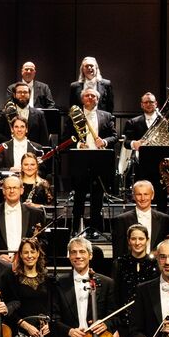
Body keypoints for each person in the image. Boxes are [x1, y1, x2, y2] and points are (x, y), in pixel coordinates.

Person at [68, 85, 116, 235]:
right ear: (82, 99)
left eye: (93, 96)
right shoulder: (74, 115)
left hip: (99, 159)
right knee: (79, 196)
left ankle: (95, 228)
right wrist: (77, 144)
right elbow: (65, 137)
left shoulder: (106, 116)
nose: (90, 98)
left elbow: (114, 136)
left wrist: (105, 142)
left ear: (98, 99)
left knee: (97, 197)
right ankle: (76, 228)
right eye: (87, 95)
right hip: (80, 159)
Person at [111, 179, 169, 267]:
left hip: (157, 267)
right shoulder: (121, 220)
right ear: (133, 196)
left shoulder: (164, 219)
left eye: (146, 194)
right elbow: (118, 252)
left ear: (152, 196)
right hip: (130, 267)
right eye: (139, 194)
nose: (143, 198)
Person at [0, 175, 46, 258]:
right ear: (3, 191)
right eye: (8, 188)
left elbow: (43, 241)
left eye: (15, 188)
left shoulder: (36, 214)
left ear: (21, 190)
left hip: (26, 264)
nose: (11, 191)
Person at [113, 224, 159, 295]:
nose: (137, 243)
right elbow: (115, 291)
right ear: (128, 241)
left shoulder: (155, 263)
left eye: (141, 239)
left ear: (147, 240)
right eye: (133, 239)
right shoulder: (119, 262)